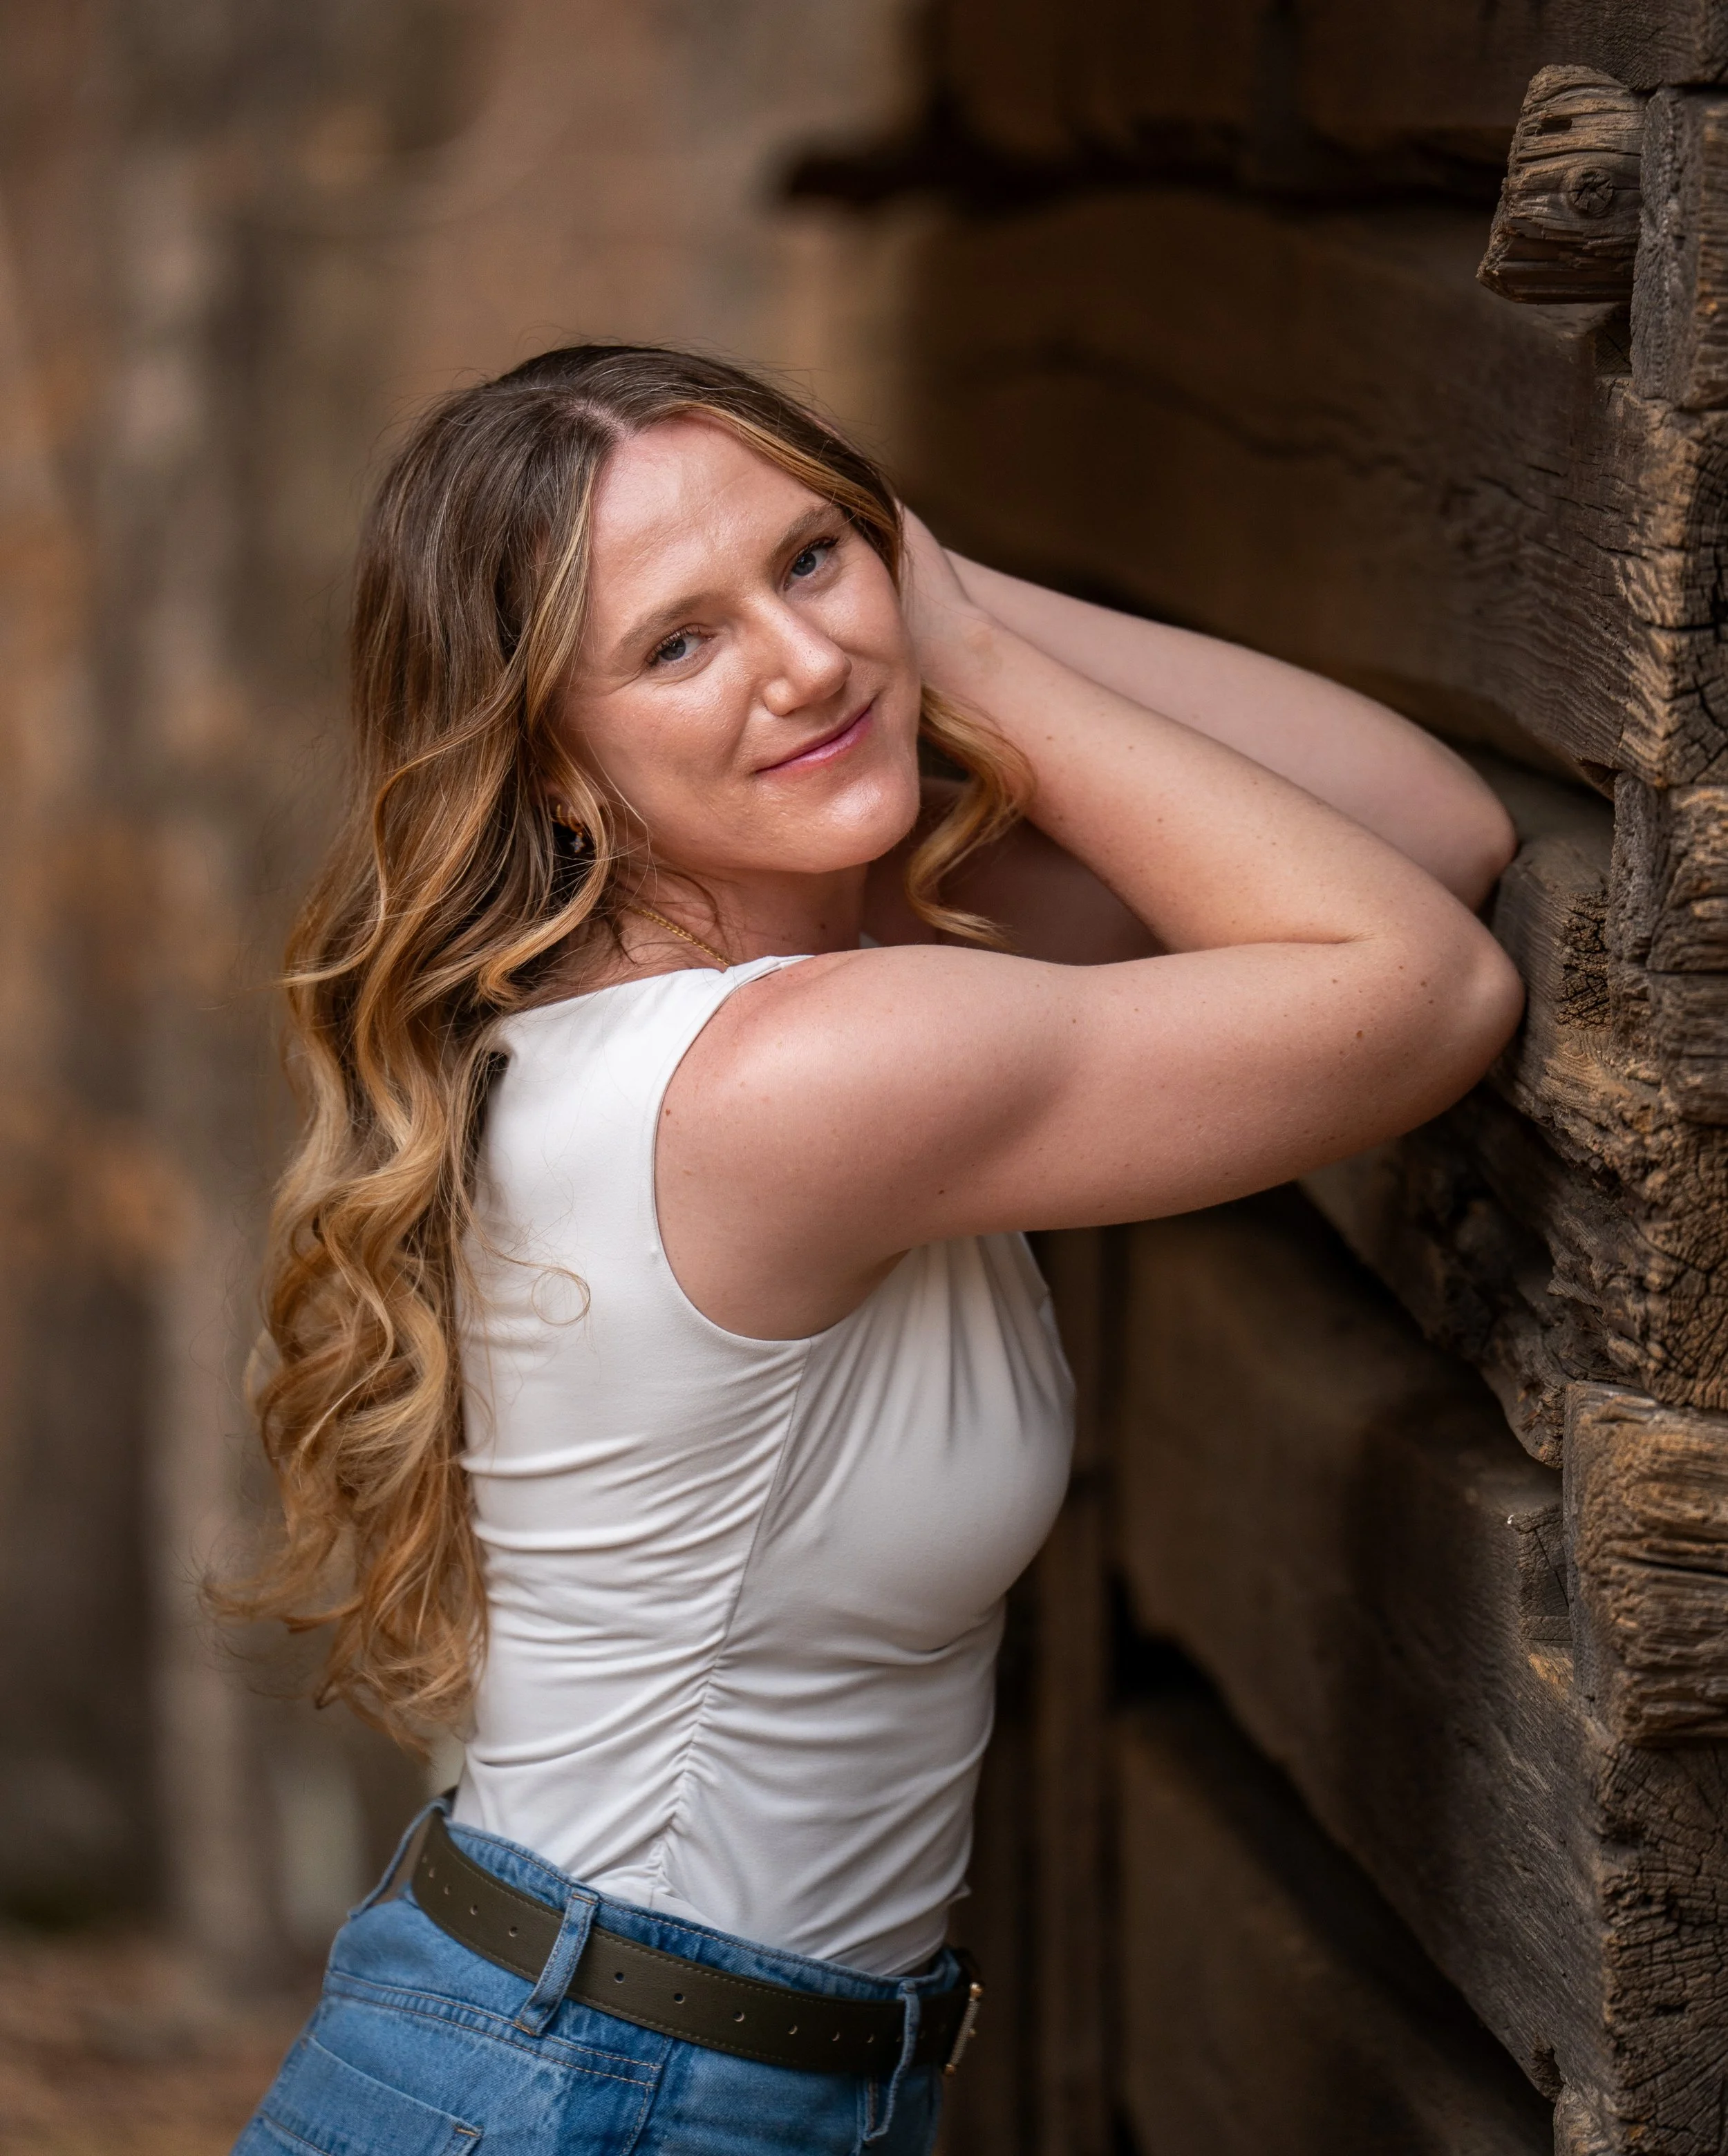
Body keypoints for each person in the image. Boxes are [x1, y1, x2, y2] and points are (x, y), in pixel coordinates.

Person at [230, 343, 1521, 2156]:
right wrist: (962, 652)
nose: (799, 662)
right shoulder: (792, 1079)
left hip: (605, 2055)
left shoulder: (774, 981)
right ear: (555, 766)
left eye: (810, 560)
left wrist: (952, 600)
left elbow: (1423, 837)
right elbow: (1429, 989)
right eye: (677, 644)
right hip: (597, 2100)